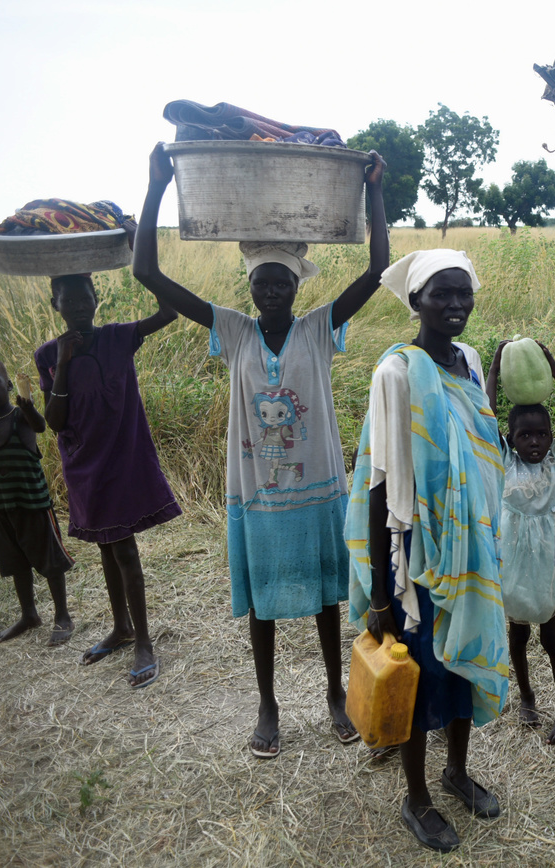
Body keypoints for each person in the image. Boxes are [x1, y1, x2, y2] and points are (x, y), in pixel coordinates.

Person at [133, 143, 388, 755]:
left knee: (328, 597)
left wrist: (375, 191)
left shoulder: (319, 326)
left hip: (317, 483)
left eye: (281, 281)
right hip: (257, 491)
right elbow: (147, 273)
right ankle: (268, 707)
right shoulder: (234, 330)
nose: (271, 290)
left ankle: (333, 695)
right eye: (261, 281)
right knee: (264, 608)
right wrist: (155, 185)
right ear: (248, 287)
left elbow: (378, 268)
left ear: (296, 286)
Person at [346, 249, 509, 853]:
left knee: (464, 658)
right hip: (418, 548)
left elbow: (481, 447)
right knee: (420, 670)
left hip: (470, 541)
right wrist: (382, 596)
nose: (456, 305)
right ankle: (417, 798)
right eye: (442, 294)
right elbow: (379, 480)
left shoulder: (466, 361)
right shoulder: (396, 372)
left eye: (464, 293)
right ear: (415, 301)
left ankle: (457, 771)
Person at [35, 267, 181, 688]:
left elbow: (169, 310)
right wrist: (63, 363)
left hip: (123, 456)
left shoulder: (119, 336)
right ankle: (121, 628)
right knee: (106, 544)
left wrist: (141, 252)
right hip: (83, 462)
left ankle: (144, 642)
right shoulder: (48, 355)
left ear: (97, 297)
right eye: (69, 299)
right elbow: (55, 421)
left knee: (125, 552)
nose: (79, 306)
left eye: (86, 296)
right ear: (55, 305)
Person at [484, 339, 555, 744]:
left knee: (552, 636)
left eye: (541, 434)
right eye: (525, 436)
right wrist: (494, 368)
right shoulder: (505, 457)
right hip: (513, 557)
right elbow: (485, 415)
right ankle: (526, 695)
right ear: (511, 438)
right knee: (519, 634)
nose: (535, 442)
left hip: (546, 560)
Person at [0, 359, 73, 645]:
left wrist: (28, 406)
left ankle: (62, 616)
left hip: (32, 504)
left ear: (9, 385)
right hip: (0, 507)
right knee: (17, 563)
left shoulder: (19, 416)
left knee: (49, 561)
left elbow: (40, 427)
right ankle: (29, 615)